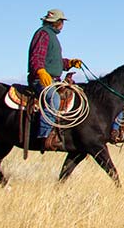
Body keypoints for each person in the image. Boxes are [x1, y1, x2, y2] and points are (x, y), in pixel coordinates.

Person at [27, 9, 83, 150]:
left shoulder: (51, 36)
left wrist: (69, 63)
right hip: (42, 79)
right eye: (62, 22)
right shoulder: (44, 34)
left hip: (54, 79)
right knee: (54, 100)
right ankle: (43, 136)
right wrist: (40, 71)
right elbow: (36, 57)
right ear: (57, 23)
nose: (62, 25)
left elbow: (54, 61)